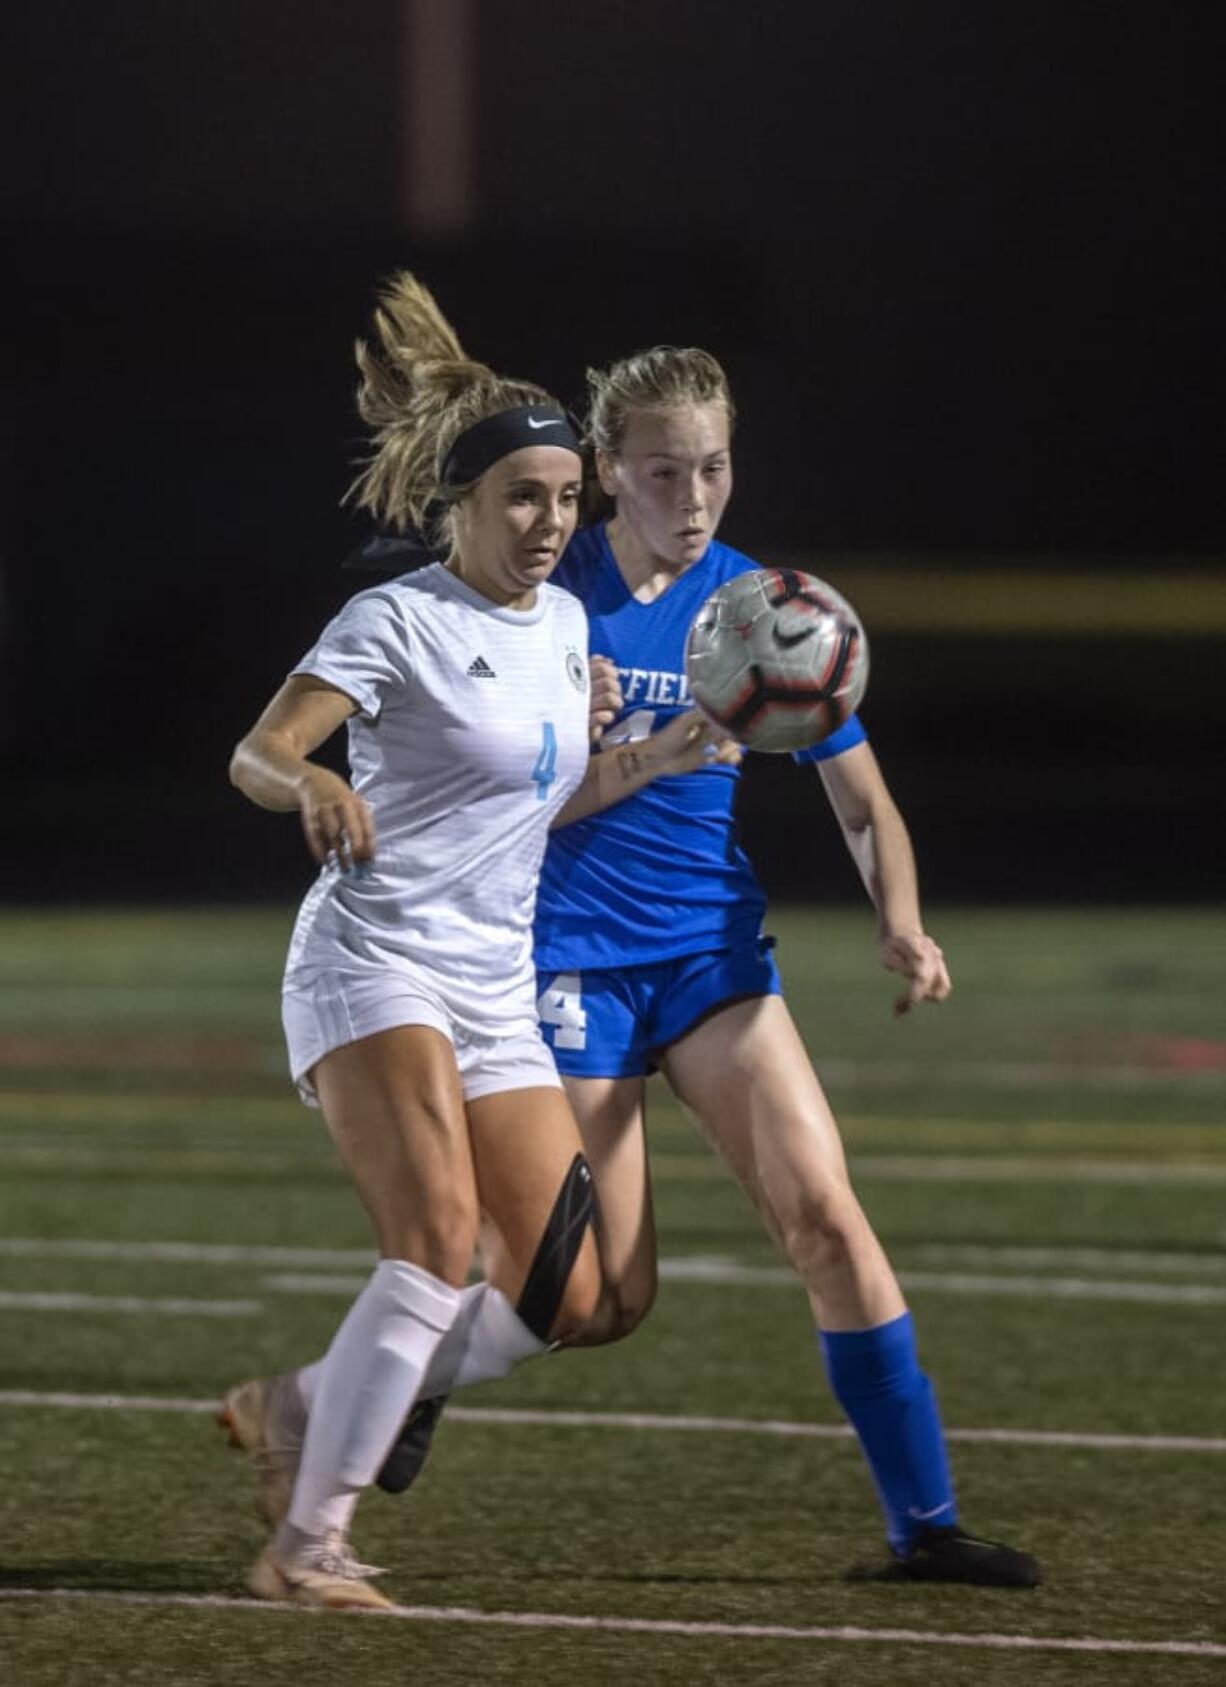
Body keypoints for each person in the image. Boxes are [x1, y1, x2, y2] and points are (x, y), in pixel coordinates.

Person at [376, 344, 1041, 1589]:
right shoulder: (543, 600)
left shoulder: (760, 609)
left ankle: (925, 1525)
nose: (694, 495)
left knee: (826, 1220)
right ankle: (387, 1380)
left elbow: (861, 801)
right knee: (590, 1295)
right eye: (663, 470)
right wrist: (658, 751)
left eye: (714, 467)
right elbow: (512, 808)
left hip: (708, 959)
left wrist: (899, 918)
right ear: (605, 476)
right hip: (563, 962)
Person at [222, 280, 720, 1610]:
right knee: (435, 1241)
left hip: (494, 984)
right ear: (461, 504)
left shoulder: (563, 627)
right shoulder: (394, 620)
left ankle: (306, 1403)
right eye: (522, 497)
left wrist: (658, 755)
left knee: (571, 1290)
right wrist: (315, 785)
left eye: (565, 496)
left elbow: (544, 800)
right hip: (375, 956)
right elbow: (260, 751)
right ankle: (305, 1545)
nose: (549, 520)